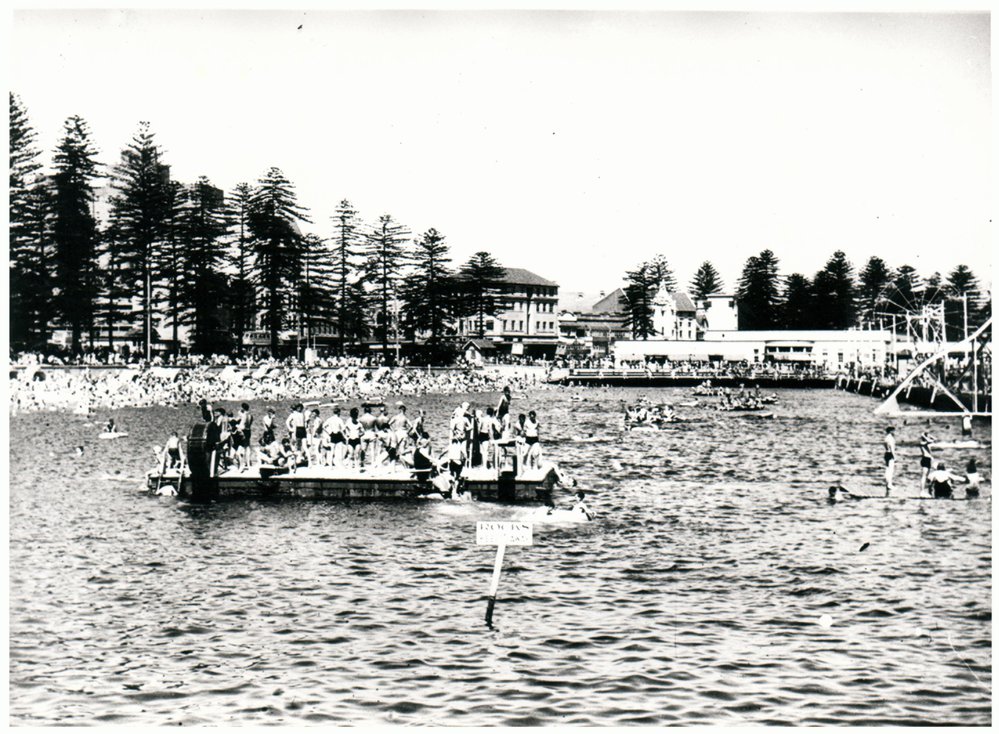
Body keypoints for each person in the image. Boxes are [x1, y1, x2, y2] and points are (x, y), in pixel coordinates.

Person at [918, 428, 935, 494]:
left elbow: (935, 439)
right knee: (924, 476)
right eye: (927, 436)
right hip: (925, 459)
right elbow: (930, 441)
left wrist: (930, 435)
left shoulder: (926, 443)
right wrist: (924, 436)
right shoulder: (922, 443)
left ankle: (927, 490)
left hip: (928, 459)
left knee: (927, 476)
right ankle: (921, 491)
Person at [883, 426, 896, 494]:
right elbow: (892, 448)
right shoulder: (891, 438)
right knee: (890, 470)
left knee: (887, 469)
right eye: (893, 431)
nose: (894, 432)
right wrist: (894, 456)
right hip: (890, 454)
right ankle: (889, 484)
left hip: (886, 453)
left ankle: (887, 483)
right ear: (891, 431)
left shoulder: (886, 438)